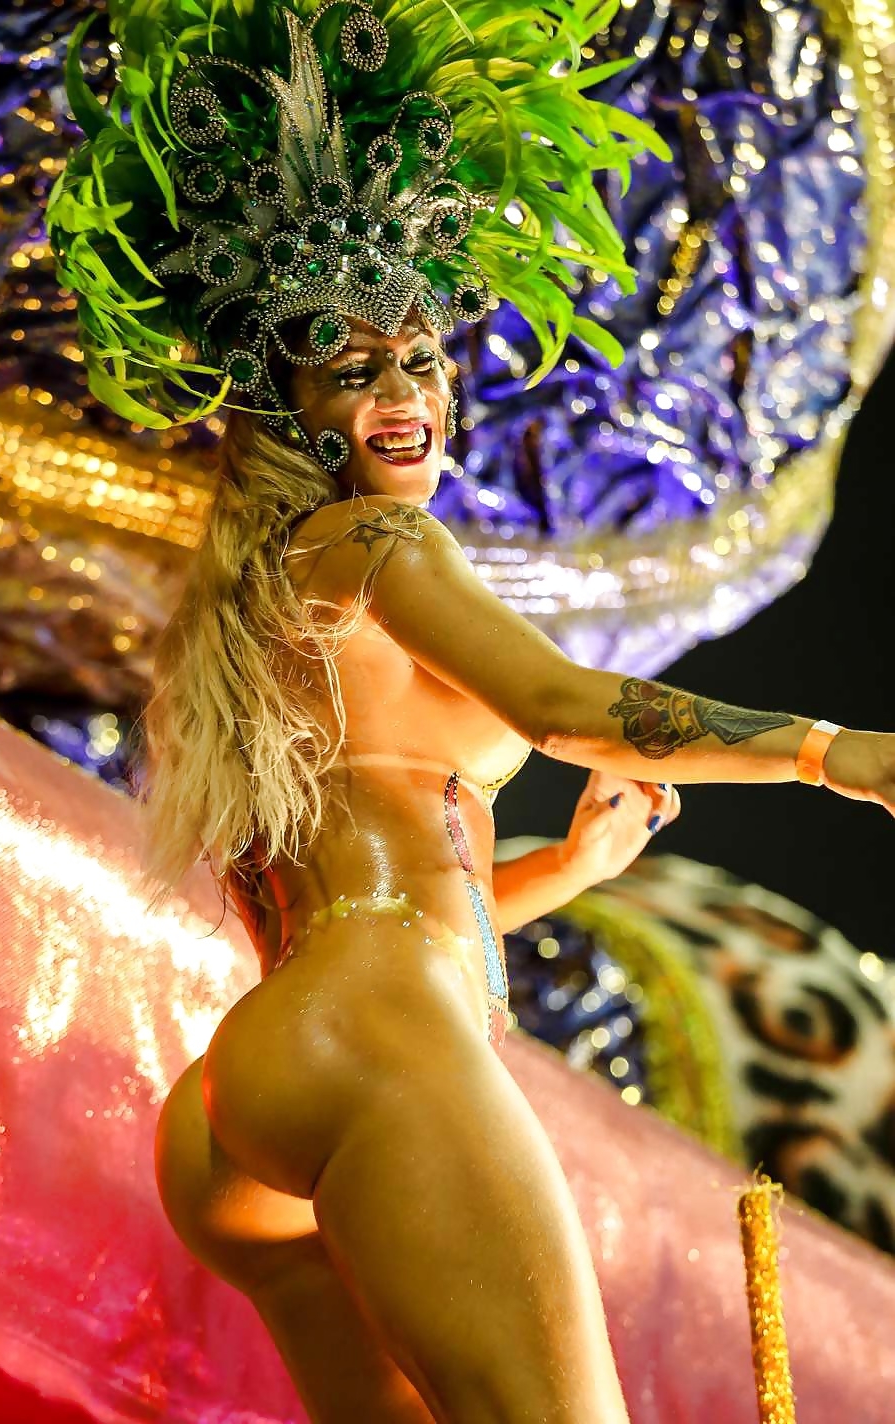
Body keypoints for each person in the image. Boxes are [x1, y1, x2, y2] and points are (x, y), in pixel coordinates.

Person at [46, 4, 895, 1422]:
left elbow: (371, 894)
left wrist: (568, 869)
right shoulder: (375, 541)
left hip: (254, 1091)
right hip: (374, 1030)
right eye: (352, 366)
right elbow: (562, 708)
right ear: (290, 405)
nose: (403, 394)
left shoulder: (256, 600)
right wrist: (832, 754)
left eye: (422, 358)